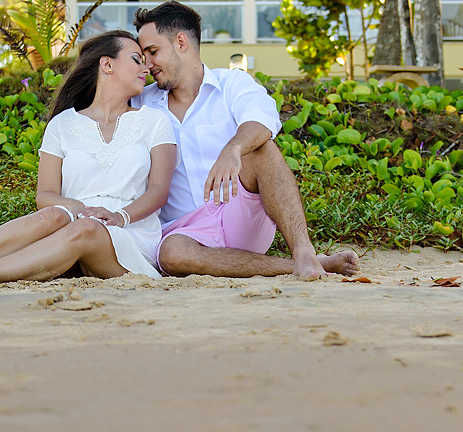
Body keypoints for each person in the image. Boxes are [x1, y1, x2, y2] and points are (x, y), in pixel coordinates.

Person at [0, 31, 176, 288]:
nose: (147, 68)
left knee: (86, 228)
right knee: (55, 214)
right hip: (72, 222)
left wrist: (119, 216)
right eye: (137, 59)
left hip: (130, 232)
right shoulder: (62, 124)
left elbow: (159, 191)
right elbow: (45, 195)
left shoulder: (153, 121)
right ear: (107, 65)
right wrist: (74, 206)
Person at [131, 1, 359, 280]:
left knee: (261, 149)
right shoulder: (141, 102)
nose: (148, 64)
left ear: (181, 42)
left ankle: (303, 251)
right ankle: (306, 264)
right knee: (171, 255)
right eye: (143, 56)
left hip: (239, 215)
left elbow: (263, 121)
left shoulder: (231, 84)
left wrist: (233, 149)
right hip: (184, 232)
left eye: (153, 52)